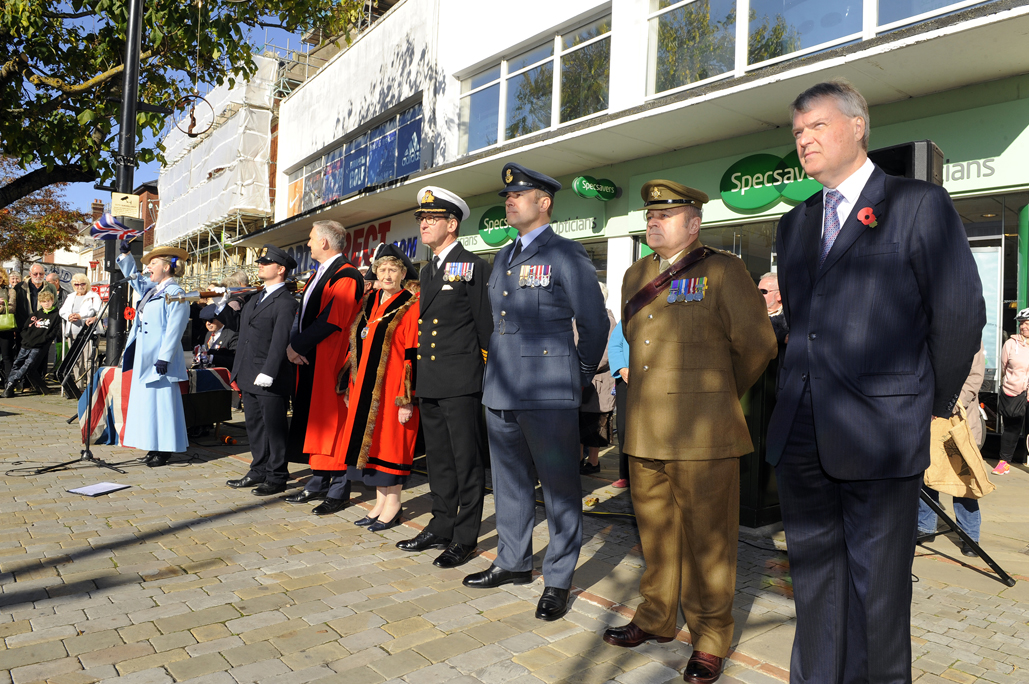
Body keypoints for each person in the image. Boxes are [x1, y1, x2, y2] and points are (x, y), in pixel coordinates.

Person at [767, 80, 985, 684]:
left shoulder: (917, 204)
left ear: (858, 126)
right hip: (803, 433)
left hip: (882, 435)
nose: (804, 141)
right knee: (813, 585)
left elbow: (960, 313)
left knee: (878, 596)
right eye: (797, 132)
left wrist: (924, 405)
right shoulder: (795, 224)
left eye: (817, 127)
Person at [602, 180, 776, 684]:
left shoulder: (724, 270)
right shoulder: (636, 273)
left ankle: (710, 636)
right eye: (650, 214)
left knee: (709, 542)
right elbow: (636, 343)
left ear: (693, 223)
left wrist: (717, 394)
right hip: (643, 431)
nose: (654, 222)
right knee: (655, 536)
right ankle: (656, 617)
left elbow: (758, 345)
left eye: (667, 215)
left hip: (704, 434)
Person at [463, 163, 608, 623]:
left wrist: (577, 376)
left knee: (561, 489)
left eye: (519, 195)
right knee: (508, 484)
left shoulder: (566, 254)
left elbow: (594, 323)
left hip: (549, 393)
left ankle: (559, 577)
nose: (510, 200)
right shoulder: (504, 255)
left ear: (543, 203)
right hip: (501, 390)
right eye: (508, 196)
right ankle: (512, 562)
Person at [395, 186, 493, 568]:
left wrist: (487, 377)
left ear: (452, 224)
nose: (424, 224)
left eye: (431, 218)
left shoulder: (472, 265)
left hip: (462, 379)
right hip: (432, 378)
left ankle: (465, 536)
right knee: (438, 459)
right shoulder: (428, 268)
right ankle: (441, 523)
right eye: (421, 219)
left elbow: (484, 327)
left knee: (466, 460)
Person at [327, 244, 422, 529]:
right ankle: (380, 503)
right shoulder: (371, 303)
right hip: (365, 391)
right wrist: (349, 385)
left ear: (403, 273)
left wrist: (407, 398)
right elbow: (356, 345)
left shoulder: (411, 305)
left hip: (393, 391)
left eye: (394, 269)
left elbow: (412, 353)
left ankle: (393, 505)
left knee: (392, 446)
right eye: (383, 269)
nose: (388, 274)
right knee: (373, 447)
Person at [283, 221, 364, 509]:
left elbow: (332, 320)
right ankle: (318, 481)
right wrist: (296, 346)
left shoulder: (347, 275)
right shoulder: (319, 274)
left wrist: (296, 346)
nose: (308, 244)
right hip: (312, 358)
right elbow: (304, 315)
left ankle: (339, 489)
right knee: (316, 424)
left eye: (311, 239)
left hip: (331, 361)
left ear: (325, 243)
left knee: (334, 425)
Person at [228, 245, 300, 496]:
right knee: (255, 425)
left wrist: (269, 371)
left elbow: (280, 340)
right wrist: (230, 301)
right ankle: (258, 468)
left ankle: (277, 474)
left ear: (280, 270)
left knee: (275, 427)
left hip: (270, 375)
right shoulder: (255, 298)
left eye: (266, 263)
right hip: (249, 371)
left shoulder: (286, 302)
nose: (260, 265)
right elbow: (243, 334)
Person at [116, 243, 192, 467]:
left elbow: (175, 328)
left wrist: (165, 357)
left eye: (154, 263)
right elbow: (134, 278)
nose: (148, 267)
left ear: (168, 267)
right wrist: (126, 256)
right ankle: (153, 446)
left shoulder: (176, 292)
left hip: (160, 357)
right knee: (148, 404)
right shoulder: (152, 290)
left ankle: (165, 450)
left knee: (162, 404)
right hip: (144, 355)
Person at [918, 343, 986, 557]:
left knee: (964, 479)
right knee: (927, 473)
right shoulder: (928, 332)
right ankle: (925, 526)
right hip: (928, 419)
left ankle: (969, 535)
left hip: (957, 421)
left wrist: (950, 403)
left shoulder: (972, 337)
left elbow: (975, 377)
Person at [578, 283, 616, 476]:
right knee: (580, 423)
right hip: (583, 380)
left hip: (598, 381)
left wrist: (583, 366)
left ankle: (593, 463)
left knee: (595, 425)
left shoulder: (608, 320)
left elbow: (607, 354)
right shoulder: (581, 318)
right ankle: (579, 460)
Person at [2, 288, 60, 397]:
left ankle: (11, 383)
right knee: (17, 364)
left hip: (39, 346)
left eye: (48, 301)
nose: (46, 303)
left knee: (28, 365)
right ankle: (9, 385)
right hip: (26, 344)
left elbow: (54, 332)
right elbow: (24, 329)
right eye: (43, 301)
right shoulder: (35, 314)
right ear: (40, 302)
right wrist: (25, 339)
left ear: (52, 301)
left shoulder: (56, 315)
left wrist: (43, 340)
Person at [13, 264, 57, 392]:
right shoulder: (20, 287)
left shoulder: (50, 287)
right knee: (23, 356)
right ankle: (25, 384)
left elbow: (54, 306)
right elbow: (16, 308)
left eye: (41, 274)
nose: (38, 276)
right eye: (35, 274)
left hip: (43, 328)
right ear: (30, 274)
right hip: (25, 328)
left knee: (41, 357)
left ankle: (38, 384)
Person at [997, 310, 1029, 465]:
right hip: (1015, 392)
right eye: (1021, 323)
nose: (1023, 327)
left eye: (1026, 323)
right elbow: (1004, 367)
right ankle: (1004, 462)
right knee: (1011, 429)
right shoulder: (1010, 344)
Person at [59, 274, 102, 382]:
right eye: (76, 284)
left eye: (82, 284)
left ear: (86, 284)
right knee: (75, 360)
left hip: (88, 331)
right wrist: (68, 316)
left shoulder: (93, 296)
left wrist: (80, 316)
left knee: (89, 359)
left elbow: (100, 311)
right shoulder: (71, 296)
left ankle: (90, 385)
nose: (79, 287)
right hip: (73, 331)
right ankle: (78, 385)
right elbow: (62, 311)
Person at [607, 320, 630, 489]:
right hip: (626, 380)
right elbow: (614, 345)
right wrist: (622, 368)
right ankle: (625, 475)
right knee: (624, 427)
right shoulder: (627, 315)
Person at [0, 269, 16, 383]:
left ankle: (9, 385)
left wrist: (1, 307)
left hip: (5, 328)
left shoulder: (10, 291)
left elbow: (12, 308)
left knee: (7, 357)